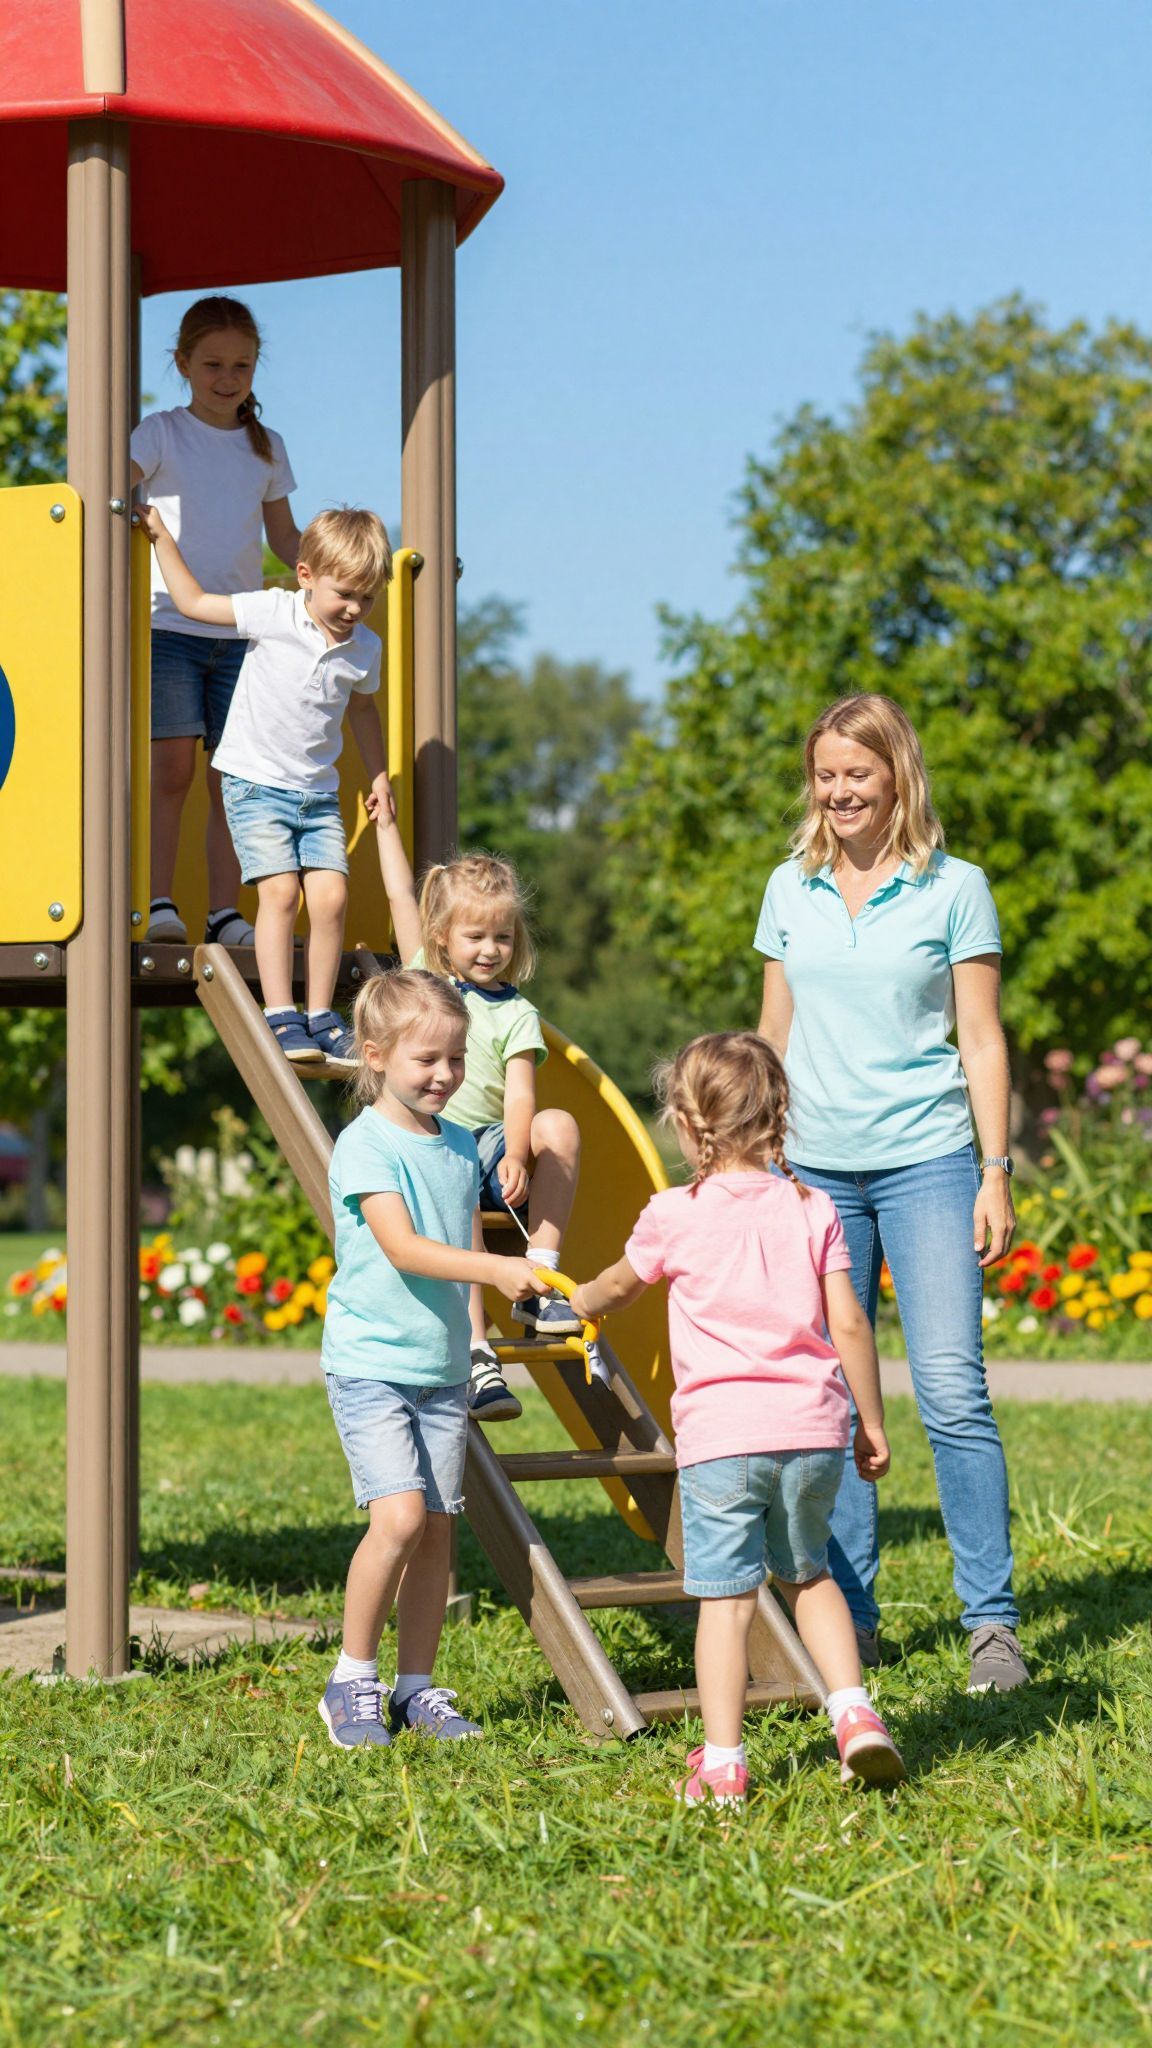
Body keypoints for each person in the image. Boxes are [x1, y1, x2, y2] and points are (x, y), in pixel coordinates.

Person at [755, 692, 1027, 1695]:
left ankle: (990, 1623)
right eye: (825, 774)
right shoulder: (792, 886)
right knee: (830, 1401)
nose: (838, 792)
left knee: (953, 1390)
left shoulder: (957, 888)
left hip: (929, 1161)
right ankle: (853, 1622)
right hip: (812, 1170)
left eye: (856, 775)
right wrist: (756, 1160)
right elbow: (770, 1035)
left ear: (896, 776)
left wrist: (994, 1170)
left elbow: (982, 1037)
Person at [570, 1032, 905, 1805]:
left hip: (724, 1440)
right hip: (814, 1429)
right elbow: (849, 1323)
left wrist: (577, 1301)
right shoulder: (812, 1206)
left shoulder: (672, 1215)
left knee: (725, 1602)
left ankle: (723, 1763)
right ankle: (853, 1714)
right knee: (809, 1574)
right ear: (778, 1117)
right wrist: (872, 1423)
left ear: (687, 1127)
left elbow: (619, 1287)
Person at [317, 968, 548, 1749]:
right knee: (401, 1517)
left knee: (439, 1531)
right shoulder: (364, 1144)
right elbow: (405, 1248)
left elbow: (472, 1235)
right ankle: (351, 1680)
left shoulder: (456, 1145)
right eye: (428, 1061)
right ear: (376, 1056)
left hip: (442, 1368)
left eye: (456, 1059)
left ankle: (415, 1688)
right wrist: (495, 1272)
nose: (446, 1075)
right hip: (373, 1364)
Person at [138, 502, 392, 1070]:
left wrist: (378, 774)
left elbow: (364, 711)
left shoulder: (364, 648)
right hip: (255, 784)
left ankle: (321, 1015)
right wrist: (159, 537)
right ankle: (281, 1012)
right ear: (305, 576)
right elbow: (194, 603)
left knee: (330, 897)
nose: (354, 609)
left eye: (366, 598)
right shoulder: (274, 613)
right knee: (280, 894)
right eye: (344, 594)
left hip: (317, 795)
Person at [375, 812, 582, 1423]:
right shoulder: (425, 981)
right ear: (443, 938)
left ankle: (542, 1283)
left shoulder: (516, 1011)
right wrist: (389, 825)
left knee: (560, 1123)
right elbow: (396, 894)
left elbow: (521, 1096)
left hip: (492, 1143)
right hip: (437, 1146)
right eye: (475, 937)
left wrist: (517, 1153)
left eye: (503, 938)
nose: (491, 950)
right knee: (457, 1176)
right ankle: (477, 1349)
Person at [130, 296, 301, 947]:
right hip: (171, 626)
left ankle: (226, 912)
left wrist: (335, 563)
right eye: (212, 365)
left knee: (234, 780)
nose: (227, 378)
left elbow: (284, 538)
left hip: (239, 634)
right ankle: (159, 902)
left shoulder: (266, 447)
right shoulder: (161, 433)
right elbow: (113, 488)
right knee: (172, 768)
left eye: (241, 365)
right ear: (183, 364)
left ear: (255, 368)